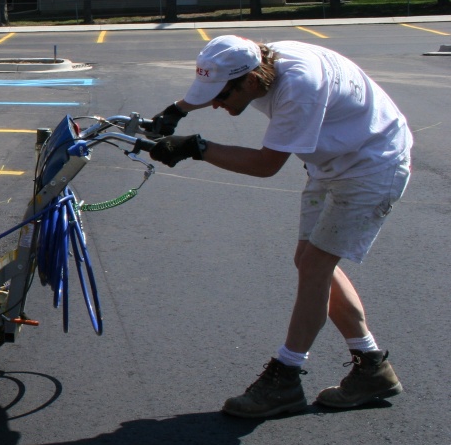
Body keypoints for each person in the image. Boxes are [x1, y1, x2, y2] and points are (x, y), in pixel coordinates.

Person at [147, 35, 412, 419]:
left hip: (372, 164)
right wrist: (179, 109)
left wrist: (196, 148)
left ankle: (285, 378)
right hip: (334, 159)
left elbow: (265, 165)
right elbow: (220, 85)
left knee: (316, 265)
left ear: (251, 83)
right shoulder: (257, 61)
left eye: (219, 96)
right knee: (309, 262)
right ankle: (372, 367)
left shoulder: (299, 87)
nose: (216, 104)